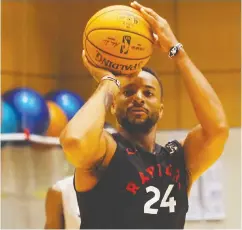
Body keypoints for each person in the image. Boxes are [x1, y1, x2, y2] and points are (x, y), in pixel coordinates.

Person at [60, 1, 229, 229]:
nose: (138, 98)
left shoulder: (178, 160)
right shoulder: (106, 152)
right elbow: (74, 141)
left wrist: (179, 54)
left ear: (161, 109)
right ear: (112, 105)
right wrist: (109, 82)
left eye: (148, 93)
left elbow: (217, 129)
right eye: (128, 91)